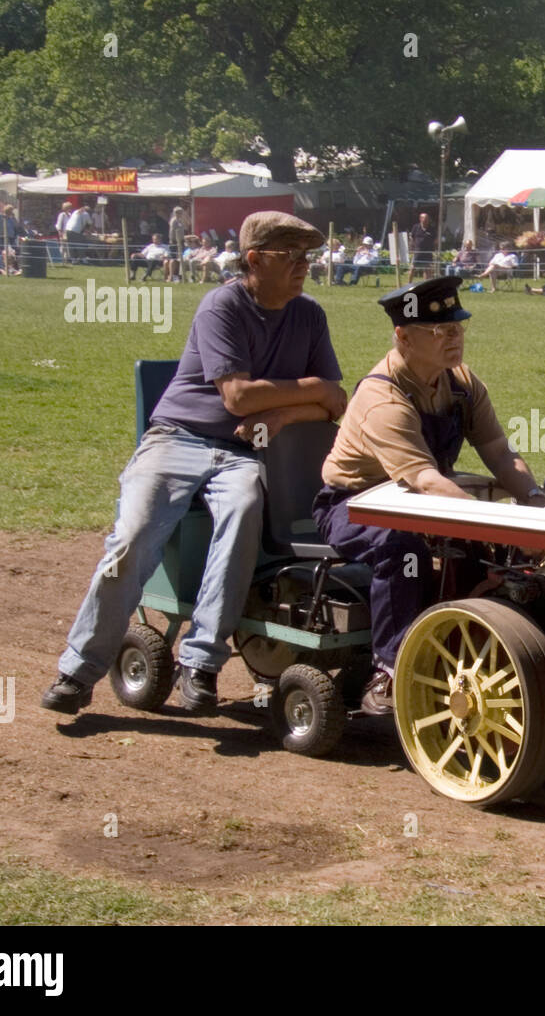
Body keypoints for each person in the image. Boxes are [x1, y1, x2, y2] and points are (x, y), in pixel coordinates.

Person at [40, 212, 347, 716]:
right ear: (254, 260)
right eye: (290, 256)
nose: (303, 266)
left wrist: (288, 409)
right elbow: (239, 396)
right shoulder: (221, 305)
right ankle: (78, 669)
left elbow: (337, 404)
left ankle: (201, 663)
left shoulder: (308, 314)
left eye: (307, 256)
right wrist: (311, 390)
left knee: (246, 510)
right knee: (133, 537)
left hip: (250, 450)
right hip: (177, 438)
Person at [314, 275, 545, 715]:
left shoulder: (461, 383)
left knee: (486, 552)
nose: (454, 338)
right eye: (440, 331)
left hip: (421, 496)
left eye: (458, 327)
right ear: (403, 337)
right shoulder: (382, 398)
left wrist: (537, 504)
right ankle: (389, 668)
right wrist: (499, 525)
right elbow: (423, 478)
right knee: (401, 549)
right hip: (354, 502)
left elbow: (499, 451)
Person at [407, 212, 437, 280]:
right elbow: (412, 237)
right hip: (418, 252)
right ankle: (409, 284)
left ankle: (425, 285)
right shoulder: (416, 227)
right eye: (424, 219)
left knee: (427, 270)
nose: (426, 220)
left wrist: (434, 249)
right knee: (412, 268)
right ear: (420, 219)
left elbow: (435, 240)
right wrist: (411, 247)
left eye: (427, 219)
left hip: (428, 252)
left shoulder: (431, 229)